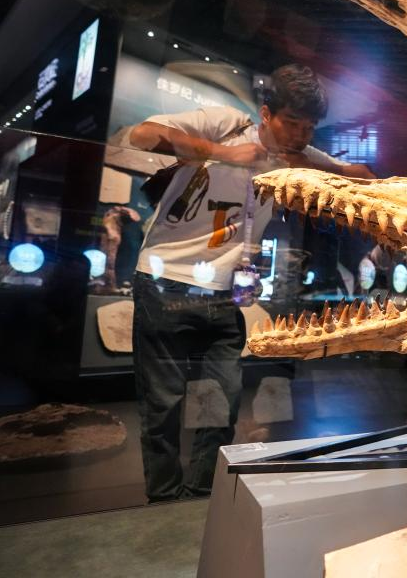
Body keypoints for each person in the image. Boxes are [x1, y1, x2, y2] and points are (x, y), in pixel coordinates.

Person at [125, 64, 373, 502]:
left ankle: (201, 495)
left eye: (308, 127)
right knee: (163, 401)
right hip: (165, 281)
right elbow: (141, 135)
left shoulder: (298, 154)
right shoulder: (226, 123)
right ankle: (162, 500)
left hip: (224, 293)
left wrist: (309, 165)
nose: (300, 134)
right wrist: (223, 153)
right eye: (291, 122)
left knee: (224, 398)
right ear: (265, 114)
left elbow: (360, 177)